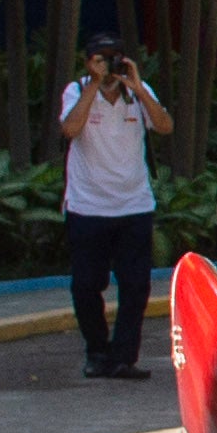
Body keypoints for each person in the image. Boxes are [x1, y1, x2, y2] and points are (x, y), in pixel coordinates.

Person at [58, 33, 174, 380]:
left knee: (135, 286)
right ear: (88, 63)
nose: (107, 65)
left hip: (133, 205)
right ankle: (97, 352)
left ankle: (124, 357)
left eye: (113, 58)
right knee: (86, 284)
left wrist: (138, 88)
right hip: (87, 207)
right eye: (100, 59)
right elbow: (70, 129)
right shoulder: (77, 90)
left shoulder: (137, 93)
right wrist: (95, 84)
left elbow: (165, 126)